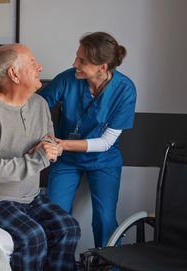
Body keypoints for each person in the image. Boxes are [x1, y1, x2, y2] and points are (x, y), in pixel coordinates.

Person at [0, 43, 81, 271]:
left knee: (69, 228)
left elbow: (49, 141)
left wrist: (52, 148)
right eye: (33, 63)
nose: (40, 67)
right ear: (14, 74)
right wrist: (35, 159)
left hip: (30, 197)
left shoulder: (40, 104)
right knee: (32, 237)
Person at [39, 32, 137, 248]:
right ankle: (60, 264)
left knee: (105, 219)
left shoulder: (125, 90)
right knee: (56, 215)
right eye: (77, 56)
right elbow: (37, 106)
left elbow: (105, 142)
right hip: (66, 160)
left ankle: (108, 265)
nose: (75, 63)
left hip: (103, 159)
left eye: (82, 60)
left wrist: (62, 144)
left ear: (102, 67)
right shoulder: (67, 79)